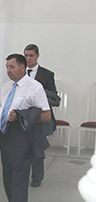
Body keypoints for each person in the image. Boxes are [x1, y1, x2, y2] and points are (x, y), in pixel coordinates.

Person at [0, 52, 51, 202]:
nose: (8, 71)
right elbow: (0, 111)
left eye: (12, 67)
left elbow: (46, 115)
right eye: (7, 67)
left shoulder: (34, 87)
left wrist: (21, 116)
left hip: (22, 136)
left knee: (19, 178)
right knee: (8, 177)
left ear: (22, 67)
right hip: (6, 135)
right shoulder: (5, 87)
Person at [23, 44, 60, 186]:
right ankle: (22, 173)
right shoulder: (20, 71)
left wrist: (38, 89)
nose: (28, 58)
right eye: (26, 56)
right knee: (22, 147)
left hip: (39, 116)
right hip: (24, 115)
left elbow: (55, 98)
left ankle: (37, 177)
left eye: (31, 55)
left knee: (37, 147)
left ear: (37, 55)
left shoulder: (47, 74)